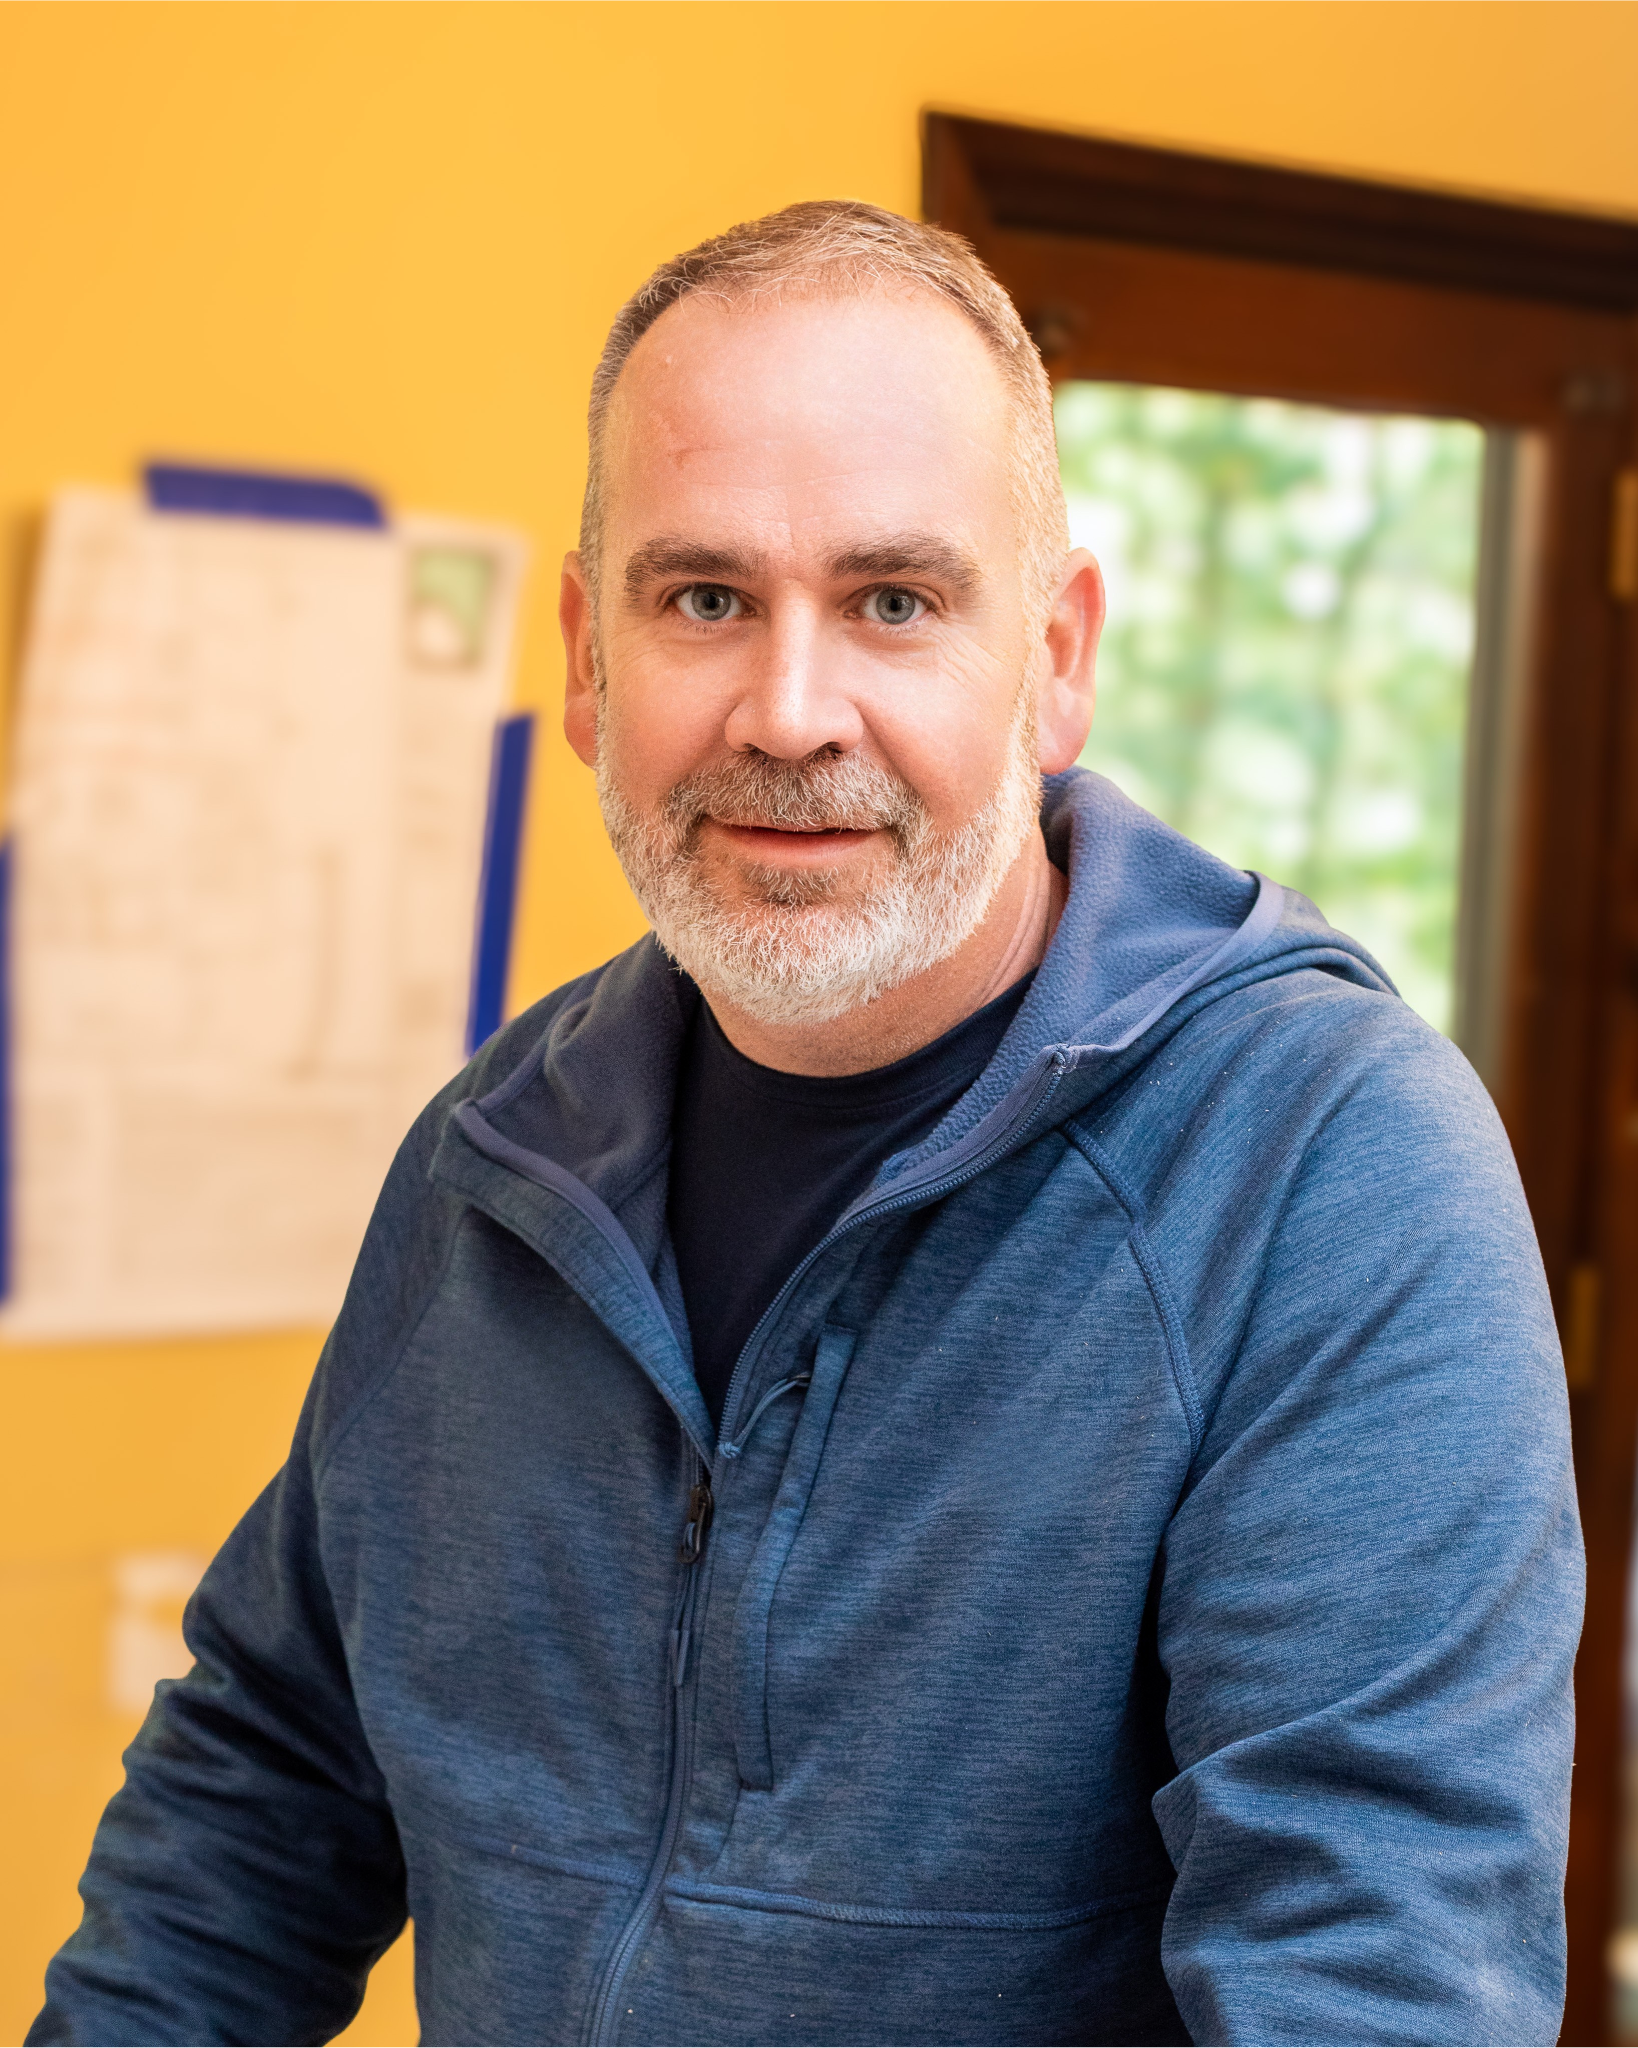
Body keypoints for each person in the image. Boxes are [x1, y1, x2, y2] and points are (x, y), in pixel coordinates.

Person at [33, 202, 1579, 2048]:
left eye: (894, 602)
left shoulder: (1330, 1170)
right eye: (703, 599)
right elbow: (263, 1793)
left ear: (1058, 659)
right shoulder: (495, 1158)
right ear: (588, 670)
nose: (788, 708)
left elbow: (1372, 1984)